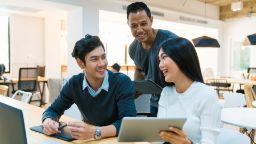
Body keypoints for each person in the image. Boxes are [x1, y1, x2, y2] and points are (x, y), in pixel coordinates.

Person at [42, 34, 136, 140]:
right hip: (90, 140)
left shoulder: (121, 82)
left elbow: (128, 124)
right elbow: (53, 110)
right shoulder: (74, 83)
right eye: (94, 59)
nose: (102, 63)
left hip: (116, 140)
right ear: (81, 63)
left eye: (103, 57)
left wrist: (95, 132)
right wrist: (48, 121)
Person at [157, 37, 221, 144]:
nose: (160, 65)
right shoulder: (166, 92)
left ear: (181, 58)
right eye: (159, 60)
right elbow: (160, 137)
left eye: (164, 57)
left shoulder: (207, 95)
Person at [127, 2, 178, 116]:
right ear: (128, 25)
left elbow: (182, 72)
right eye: (134, 26)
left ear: (151, 20)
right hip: (155, 102)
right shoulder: (133, 48)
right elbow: (139, 69)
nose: (139, 30)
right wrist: (137, 88)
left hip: (175, 102)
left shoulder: (170, 40)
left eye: (143, 24)